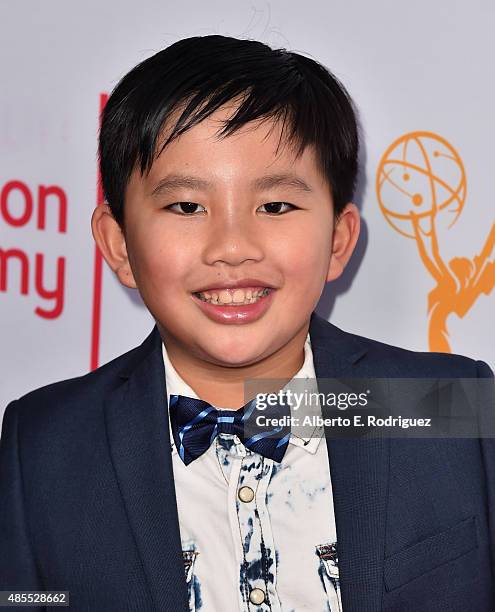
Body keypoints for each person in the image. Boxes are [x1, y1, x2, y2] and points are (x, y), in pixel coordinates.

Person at [0, 35, 494, 612]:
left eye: (275, 206)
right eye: (187, 206)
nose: (232, 248)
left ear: (338, 239)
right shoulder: (45, 443)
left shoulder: (446, 403)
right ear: (118, 245)